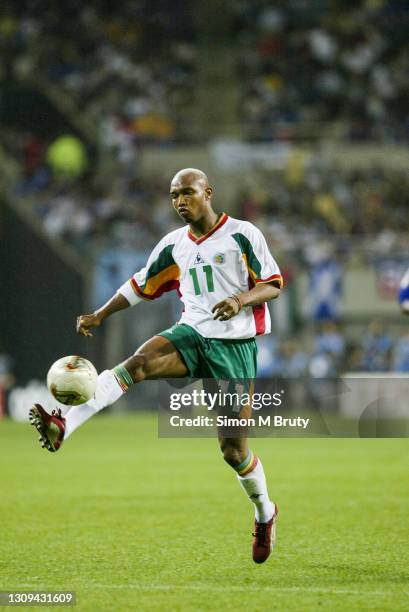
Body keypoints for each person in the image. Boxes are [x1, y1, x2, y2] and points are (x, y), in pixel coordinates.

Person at [30, 168, 283, 564]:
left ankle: (265, 512)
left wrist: (240, 301)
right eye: (173, 195)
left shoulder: (243, 234)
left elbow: (274, 282)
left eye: (187, 193)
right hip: (191, 334)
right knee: (138, 363)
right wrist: (99, 314)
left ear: (208, 192)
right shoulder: (174, 245)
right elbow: (140, 284)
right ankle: (65, 423)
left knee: (233, 451)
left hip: (234, 348)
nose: (180, 201)